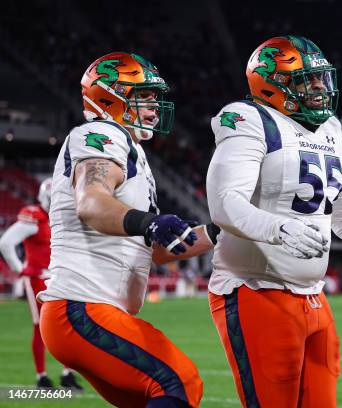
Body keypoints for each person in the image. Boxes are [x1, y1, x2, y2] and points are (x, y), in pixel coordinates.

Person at [37, 52, 216, 408]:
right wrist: (149, 222)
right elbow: (91, 204)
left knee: (157, 394)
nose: (153, 107)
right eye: (144, 96)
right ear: (109, 95)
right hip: (81, 307)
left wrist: (221, 231)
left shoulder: (130, 149)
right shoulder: (100, 133)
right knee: (178, 382)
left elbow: (159, 251)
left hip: (95, 311)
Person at [206, 35, 342, 407]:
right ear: (272, 84)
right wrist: (279, 228)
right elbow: (225, 204)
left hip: (313, 296)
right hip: (255, 289)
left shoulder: (331, 130)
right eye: (305, 80)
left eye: (320, 79)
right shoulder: (250, 119)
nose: (318, 88)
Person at [0, 178, 82, 390]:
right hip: (37, 278)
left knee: (67, 325)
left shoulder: (61, 218)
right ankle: (41, 377)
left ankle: (67, 373)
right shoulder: (34, 217)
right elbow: (6, 243)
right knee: (41, 327)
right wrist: (20, 269)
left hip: (58, 277)